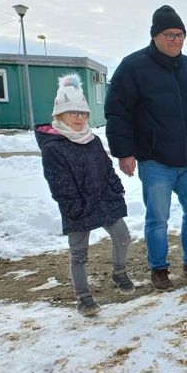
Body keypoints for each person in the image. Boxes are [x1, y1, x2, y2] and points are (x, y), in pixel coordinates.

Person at [105, 5, 187, 291]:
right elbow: (118, 111)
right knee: (158, 218)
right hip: (156, 160)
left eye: (181, 34)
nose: (176, 40)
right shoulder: (133, 67)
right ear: (155, 35)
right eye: (169, 34)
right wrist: (124, 151)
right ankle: (159, 268)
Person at [36, 74, 134, 316]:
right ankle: (83, 297)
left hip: (104, 200)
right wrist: (73, 207)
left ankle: (119, 272)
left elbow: (107, 168)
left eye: (83, 113)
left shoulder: (93, 140)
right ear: (59, 115)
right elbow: (59, 183)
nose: (79, 118)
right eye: (73, 113)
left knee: (123, 236)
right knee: (79, 253)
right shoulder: (53, 147)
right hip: (78, 207)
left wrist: (116, 188)